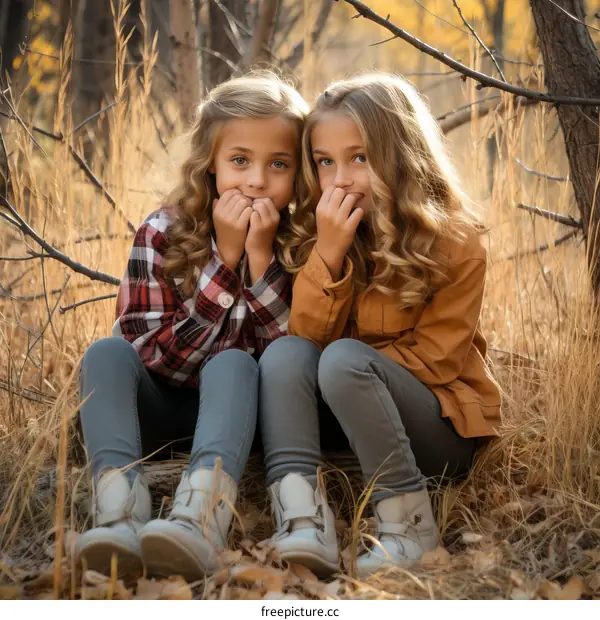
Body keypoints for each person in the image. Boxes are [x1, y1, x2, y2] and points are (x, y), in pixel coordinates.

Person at [258, 73, 501, 577]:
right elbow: (303, 342)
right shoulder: (320, 234)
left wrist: (348, 373)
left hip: (436, 432)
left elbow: (437, 360)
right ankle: (303, 518)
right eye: (325, 162)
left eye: (359, 158)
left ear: (400, 153)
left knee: (343, 361)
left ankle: (409, 529)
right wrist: (328, 254)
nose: (340, 178)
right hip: (351, 417)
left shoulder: (455, 241)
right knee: (284, 354)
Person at [75, 71, 308, 582]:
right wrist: (223, 260)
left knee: (234, 364)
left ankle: (201, 517)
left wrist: (262, 257)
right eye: (240, 160)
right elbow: (153, 354)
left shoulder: (304, 241)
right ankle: (117, 509)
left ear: (300, 172)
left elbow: (292, 356)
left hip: (248, 424)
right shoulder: (162, 231)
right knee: (106, 354)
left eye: (279, 164)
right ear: (210, 163)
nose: (256, 180)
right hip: (166, 408)